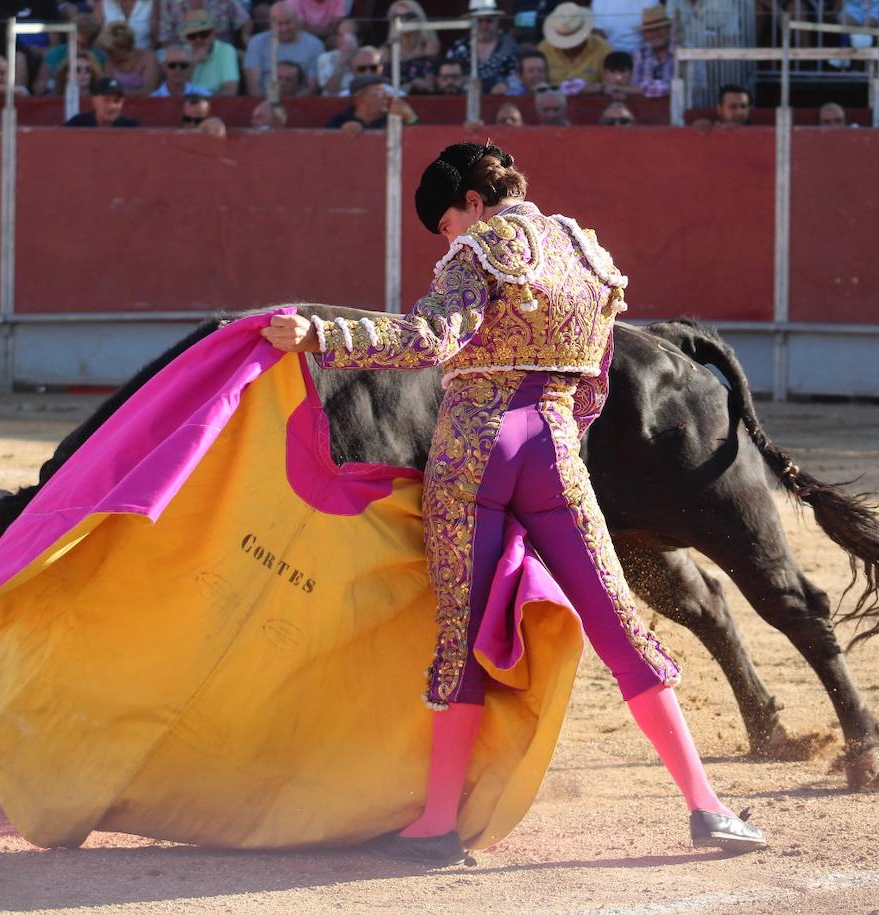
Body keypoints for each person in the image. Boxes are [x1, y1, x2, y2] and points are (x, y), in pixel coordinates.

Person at [259, 142, 767, 865]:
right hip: (556, 449)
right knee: (619, 623)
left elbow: (434, 337)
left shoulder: (478, 253)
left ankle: (437, 820)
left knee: (459, 632)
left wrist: (326, 334)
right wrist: (553, 439)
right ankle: (706, 805)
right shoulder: (584, 251)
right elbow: (593, 379)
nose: (449, 238)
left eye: (446, 222)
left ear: (471, 199)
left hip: (474, 449)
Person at [244, 1, 323, 96]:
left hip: (302, 102)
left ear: (297, 20)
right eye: (279, 24)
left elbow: (312, 88)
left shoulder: (315, 45)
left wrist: (292, 105)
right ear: (270, 23)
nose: (284, 28)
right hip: (265, 100)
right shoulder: (256, 42)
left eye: (288, 22)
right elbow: (254, 87)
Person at [446, 0, 520, 94]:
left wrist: (505, 87)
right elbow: (448, 78)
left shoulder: (510, 46)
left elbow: (517, 81)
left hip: (501, 101)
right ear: (471, 22)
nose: (484, 25)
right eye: (479, 21)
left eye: (489, 20)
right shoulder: (459, 48)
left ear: (497, 21)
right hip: (464, 101)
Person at [538, 2, 611, 91]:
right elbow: (536, 86)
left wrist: (588, 89)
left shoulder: (603, 49)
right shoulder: (544, 49)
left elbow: (610, 87)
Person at [325, 72, 416, 131]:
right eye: (380, 91)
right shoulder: (340, 120)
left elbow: (419, 143)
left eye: (386, 92)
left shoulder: (393, 119)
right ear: (360, 98)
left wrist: (410, 118)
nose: (387, 96)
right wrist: (341, 133)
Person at [384, 0, 439, 95]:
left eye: (408, 16)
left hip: (421, 98)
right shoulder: (386, 50)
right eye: (397, 17)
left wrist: (410, 84)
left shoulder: (429, 47)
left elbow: (430, 85)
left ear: (419, 18)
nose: (403, 21)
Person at [182, 9, 237, 95]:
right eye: (192, 36)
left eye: (203, 34)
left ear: (213, 32)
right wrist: (193, 63)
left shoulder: (225, 50)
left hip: (217, 105)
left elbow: (231, 90)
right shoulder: (181, 53)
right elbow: (178, 91)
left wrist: (203, 102)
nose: (198, 40)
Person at [99, 21, 157, 95]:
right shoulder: (109, 62)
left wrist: (118, 92)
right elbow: (106, 91)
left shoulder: (149, 58)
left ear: (122, 46)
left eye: (110, 51)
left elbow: (149, 91)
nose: (107, 54)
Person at [630, 4, 671, 96]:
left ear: (668, 28)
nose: (655, 33)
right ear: (644, 34)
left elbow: (696, 89)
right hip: (645, 108)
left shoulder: (685, 51)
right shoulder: (640, 52)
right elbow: (634, 86)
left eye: (659, 28)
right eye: (650, 30)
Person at [63, 74, 139, 123]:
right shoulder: (77, 124)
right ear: (94, 101)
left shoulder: (131, 127)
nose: (112, 106)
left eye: (117, 101)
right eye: (107, 100)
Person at [592, 0, 658, 52]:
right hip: (611, 56)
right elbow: (599, 33)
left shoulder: (649, 1)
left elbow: (655, 32)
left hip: (643, 54)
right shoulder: (598, 1)